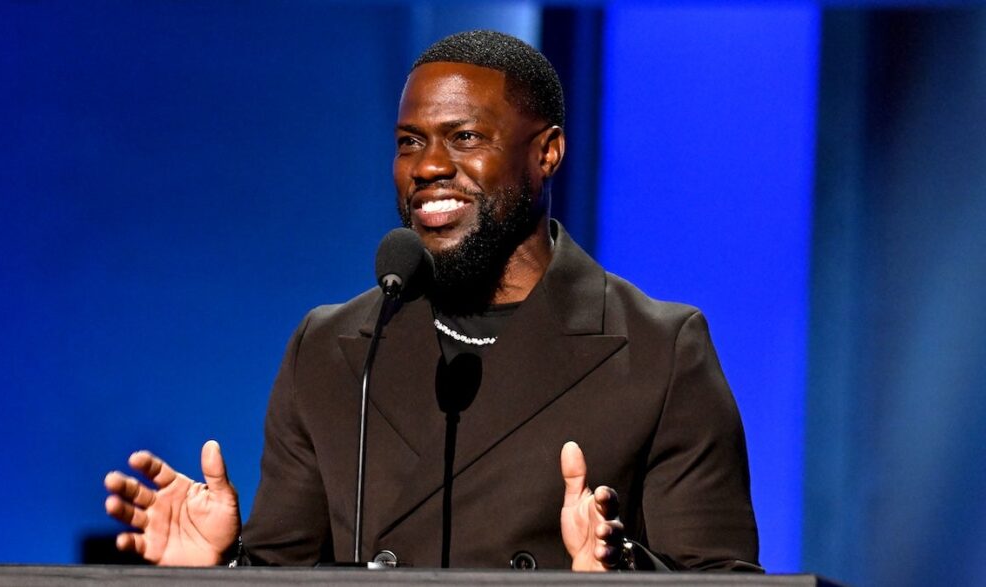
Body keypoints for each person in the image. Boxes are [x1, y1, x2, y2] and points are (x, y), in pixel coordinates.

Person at [104, 30, 760, 572]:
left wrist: (622, 572)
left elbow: (723, 580)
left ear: (548, 152)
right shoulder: (330, 350)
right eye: (410, 142)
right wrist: (220, 570)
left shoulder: (658, 350)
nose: (427, 166)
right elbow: (286, 574)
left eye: (464, 137)